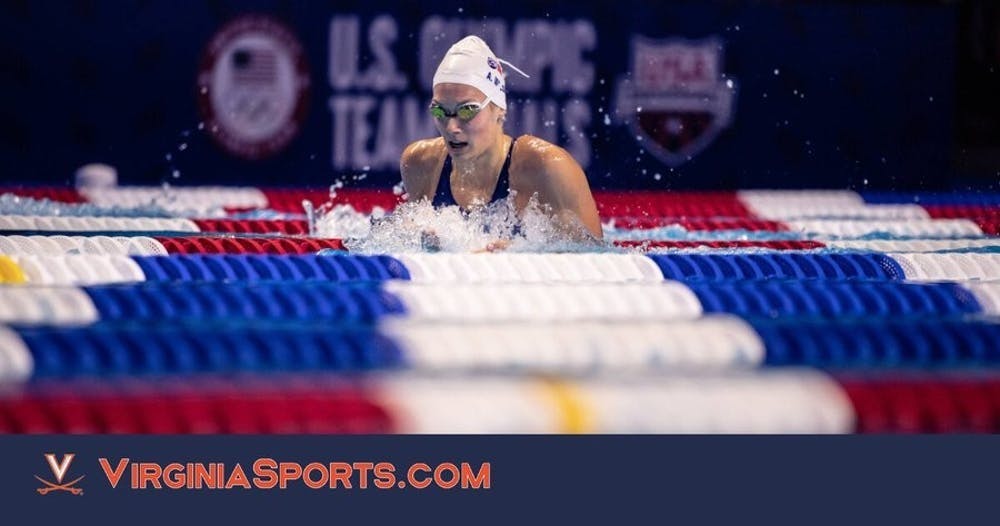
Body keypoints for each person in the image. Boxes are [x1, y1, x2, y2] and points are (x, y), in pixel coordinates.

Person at [399, 36, 603, 245]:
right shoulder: (420, 163)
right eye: (440, 110)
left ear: (499, 109)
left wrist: (521, 254)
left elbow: (596, 261)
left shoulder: (547, 167)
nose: (451, 127)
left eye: (468, 110)